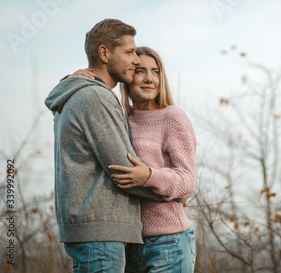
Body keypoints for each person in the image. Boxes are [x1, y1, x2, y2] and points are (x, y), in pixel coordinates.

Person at [44, 19, 163, 273]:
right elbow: (123, 167)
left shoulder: (83, 93)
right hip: (99, 234)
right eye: (129, 52)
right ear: (104, 53)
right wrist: (170, 192)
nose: (136, 61)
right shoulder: (95, 97)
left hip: (96, 232)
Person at [72, 47, 197, 272]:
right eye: (140, 71)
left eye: (155, 72)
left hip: (169, 243)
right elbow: (76, 118)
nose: (149, 79)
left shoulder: (172, 117)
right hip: (128, 243)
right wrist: (74, 81)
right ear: (128, 76)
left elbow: (188, 180)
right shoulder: (120, 117)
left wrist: (149, 176)